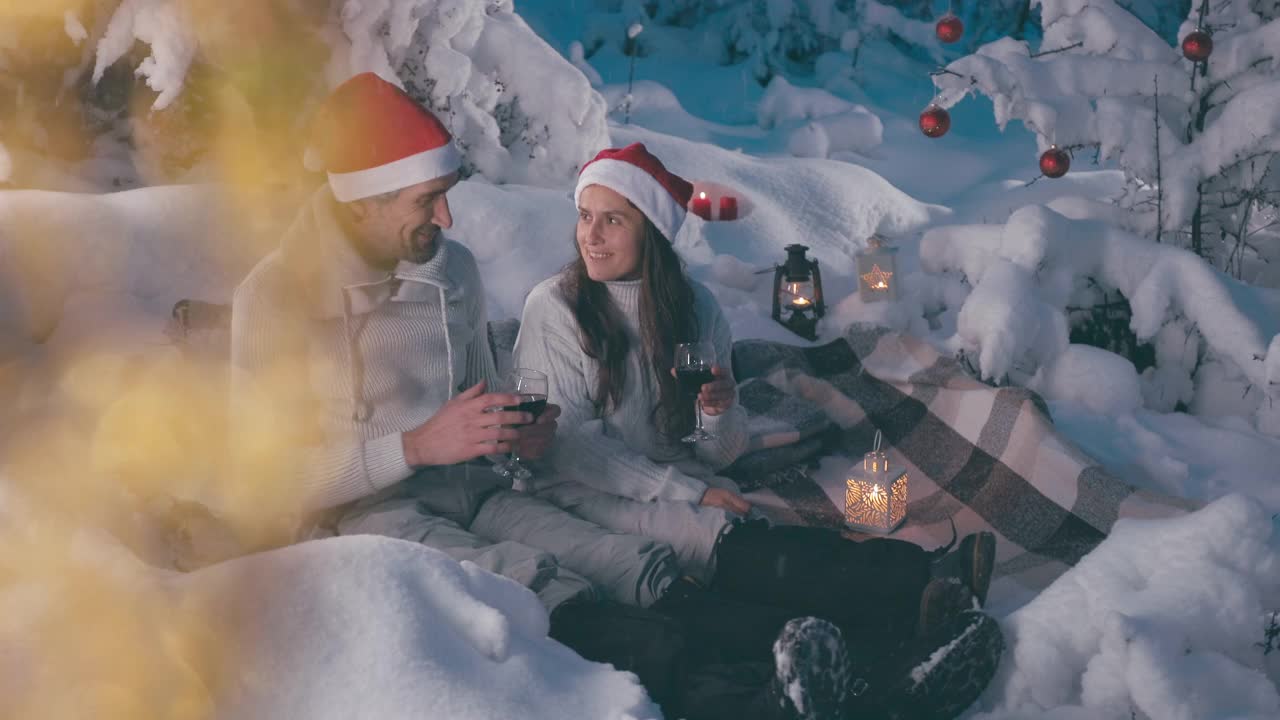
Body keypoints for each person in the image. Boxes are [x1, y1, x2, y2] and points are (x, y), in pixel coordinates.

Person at [230, 71, 868, 720]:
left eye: (446, 196)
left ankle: (839, 665)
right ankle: (745, 703)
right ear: (363, 201)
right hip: (369, 520)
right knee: (538, 585)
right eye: (428, 201)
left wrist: (516, 432)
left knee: (629, 561)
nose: (447, 218)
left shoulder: (452, 271)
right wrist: (416, 446)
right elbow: (264, 483)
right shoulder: (276, 299)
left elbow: (490, 395)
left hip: (479, 488)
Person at [513, 142, 1004, 716]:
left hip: (681, 479)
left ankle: (918, 606)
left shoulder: (693, 310)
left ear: (650, 231)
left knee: (744, 537)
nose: (590, 236)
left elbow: (718, 453)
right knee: (729, 543)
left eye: (613, 220)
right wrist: (690, 492)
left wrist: (719, 413)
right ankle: (905, 602)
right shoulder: (557, 308)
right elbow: (572, 449)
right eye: (585, 216)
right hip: (583, 492)